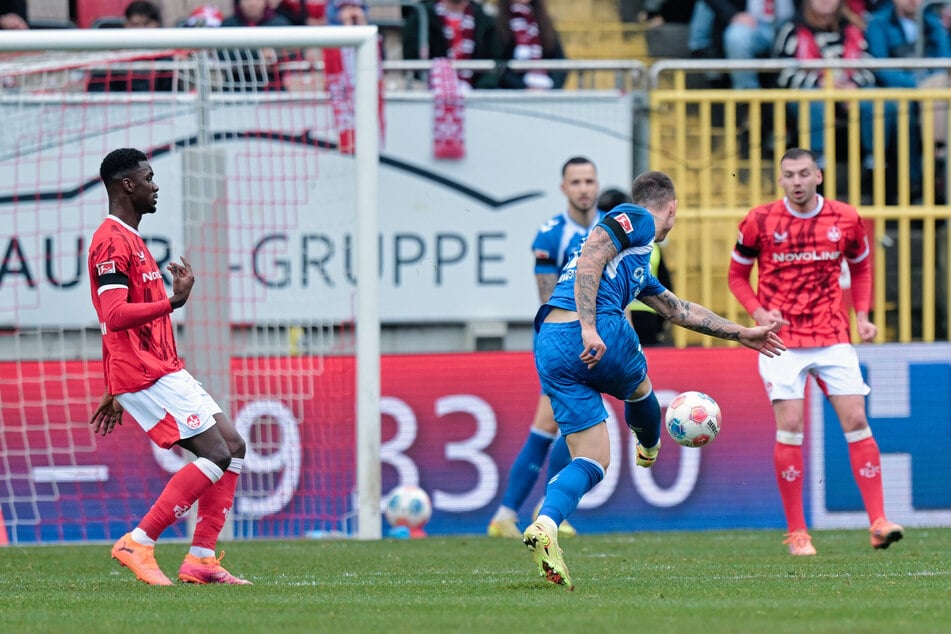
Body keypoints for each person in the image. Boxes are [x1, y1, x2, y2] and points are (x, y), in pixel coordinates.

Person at [524, 171, 786, 589]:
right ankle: (649, 444)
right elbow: (592, 251)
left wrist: (741, 334)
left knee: (592, 460)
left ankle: (546, 524)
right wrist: (590, 327)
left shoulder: (636, 265)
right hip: (594, 329)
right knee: (641, 388)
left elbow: (679, 310)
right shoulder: (638, 218)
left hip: (550, 343)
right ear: (673, 208)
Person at [728, 147, 904, 556]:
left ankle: (878, 522)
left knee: (857, 419)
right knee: (789, 426)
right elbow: (736, 275)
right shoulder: (760, 220)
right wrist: (757, 311)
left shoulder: (845, 218)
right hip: (781, 339)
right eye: (789, 175)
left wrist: (862, 315)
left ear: (819, 176)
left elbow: (861, 266)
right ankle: (797, 532)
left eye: (804, 173)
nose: (797, 182)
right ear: (780, 180)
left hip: (832, 333)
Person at [88, 148, 250, 585]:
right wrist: (174, 301)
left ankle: (200, 559)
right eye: (148, 178)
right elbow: (114, 315)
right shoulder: (110, 241)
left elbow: (113, 325)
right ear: (127, 185)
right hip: (145, 371)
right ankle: (138, 542)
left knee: (233, 448)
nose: (155, 186)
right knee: (215, 454)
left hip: (162, 366)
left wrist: (111, 385)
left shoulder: (133, 240)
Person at [487, 156, 602, 540]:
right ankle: (521, 511)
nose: (584, 188)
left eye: (589, 180)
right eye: (576, 182)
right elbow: (548, 298)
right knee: (554, 425)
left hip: (600, 342)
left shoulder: (610, 228)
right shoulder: (551, 235)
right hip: (564, 343)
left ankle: (517, 512)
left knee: (560, 425)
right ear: (563, 188)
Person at [599, 187, 674, 346]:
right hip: (648, 316)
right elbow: (665, 284)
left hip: (612, 318)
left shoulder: (599, 244)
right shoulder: (649, 243)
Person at [401, 0, 504, 89]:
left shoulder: (483, 18)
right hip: (433, 94)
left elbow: (495, 59)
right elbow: (411, 56)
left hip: (476, 95)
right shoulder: (421, 15)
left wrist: (483, 87)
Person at [495, 0, 567, 90]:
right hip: (510, 93)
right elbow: (498, 65)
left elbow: (559, 60)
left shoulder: (544, 21)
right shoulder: (496, 22)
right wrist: (524, 87)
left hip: (545, 92)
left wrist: (550, 87)